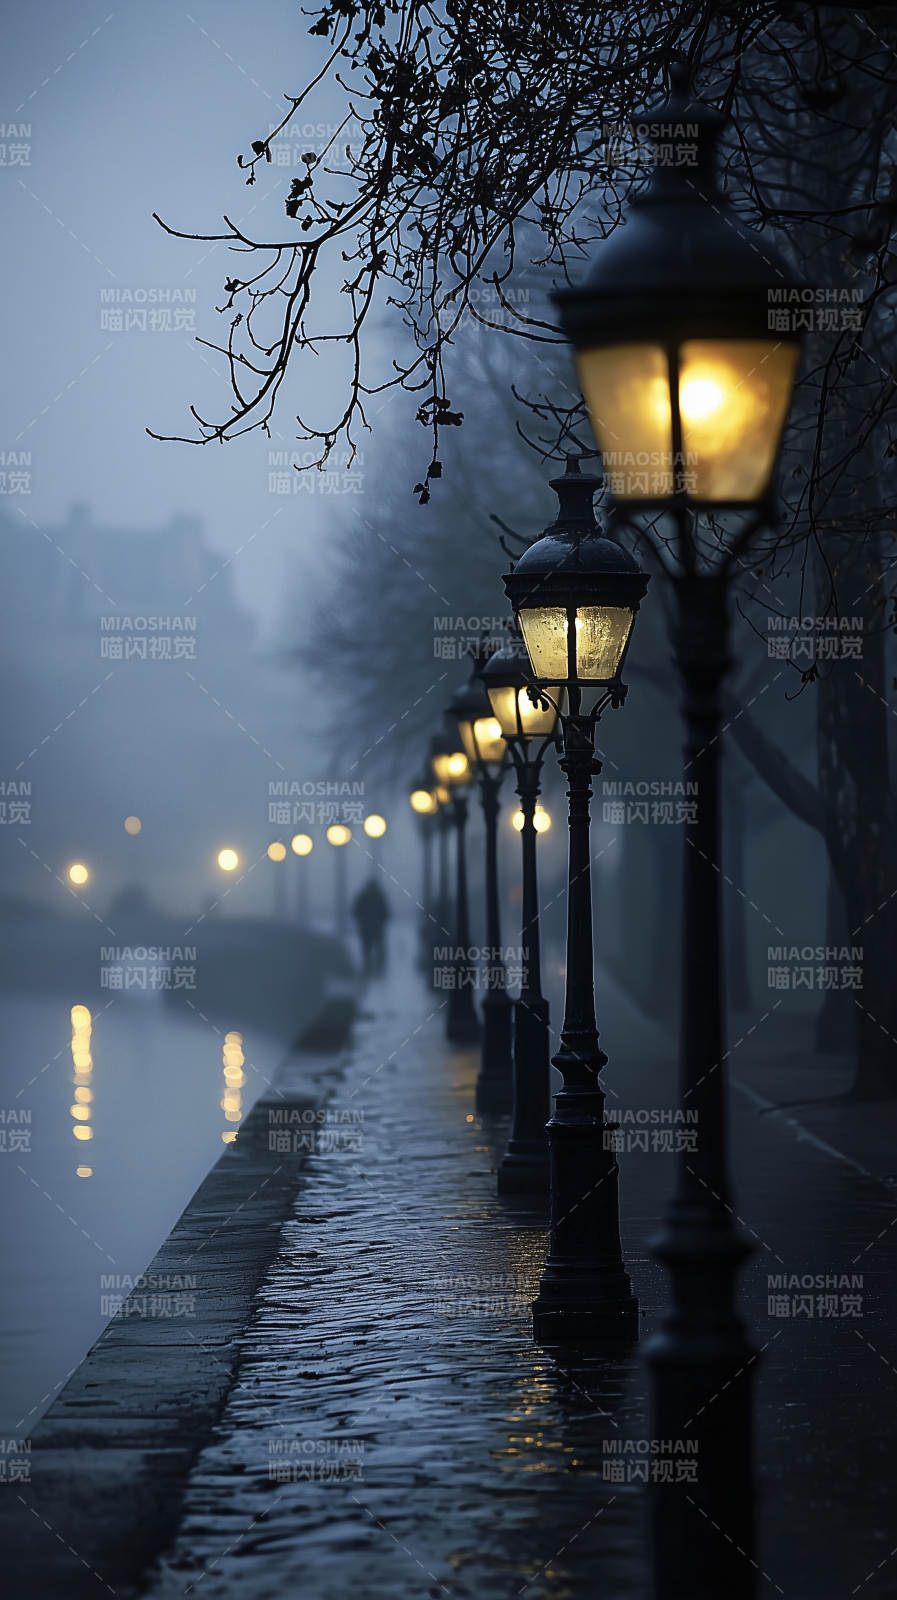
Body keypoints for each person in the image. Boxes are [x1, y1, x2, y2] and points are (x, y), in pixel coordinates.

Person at [351, 877, 391, 976]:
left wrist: (361, 920)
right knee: (378, 949)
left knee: (366, 950)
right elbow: (386, 912)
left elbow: (355, 911)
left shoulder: (363, 897)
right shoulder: (379, 897)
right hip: (377, 927)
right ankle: (378, 969)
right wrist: (382, 921)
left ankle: (368, 969)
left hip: (366, 927)